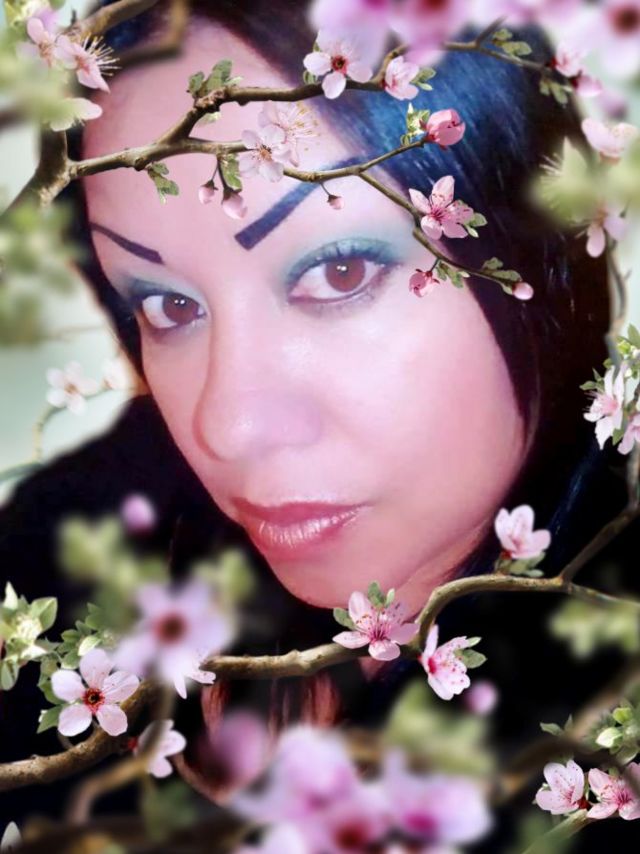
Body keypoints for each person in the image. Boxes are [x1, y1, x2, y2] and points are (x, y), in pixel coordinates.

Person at [0, 1, 635, 848]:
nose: (225, 427)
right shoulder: (80, 539)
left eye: (340, 272)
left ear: (540, 246)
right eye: (167, 305)